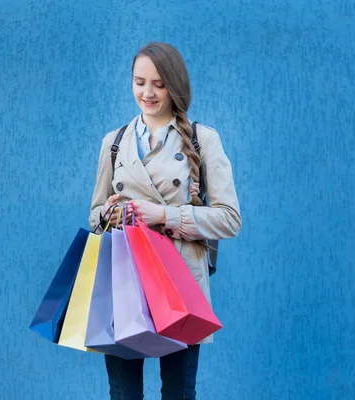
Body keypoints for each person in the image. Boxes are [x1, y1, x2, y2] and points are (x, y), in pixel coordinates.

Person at [88, 42, 242, 399]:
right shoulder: (114, 143)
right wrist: (110, 213)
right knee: (123, 393)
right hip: (125, 282)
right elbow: (95, 215)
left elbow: (230, 219)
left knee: (178, 393)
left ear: (175, 85)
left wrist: (165, 215)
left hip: (181, 284)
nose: (148, 92)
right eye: (139, 81)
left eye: (158, 83)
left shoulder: (204, 140)